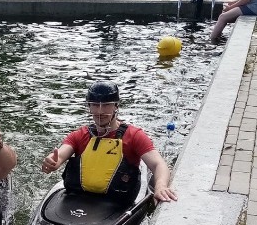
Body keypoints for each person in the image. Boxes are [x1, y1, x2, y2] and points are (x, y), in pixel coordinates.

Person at [41, 81, 177, 204]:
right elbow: (61, 154)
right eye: (95, 105)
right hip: (78, 197)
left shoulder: (134, 136)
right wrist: (53, 162)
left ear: (116, 106)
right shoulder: (79, 135)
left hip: (117, 202)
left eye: (106, 105)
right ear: (89, 107)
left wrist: (161, 186)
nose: (100, 111)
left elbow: (159, 164)